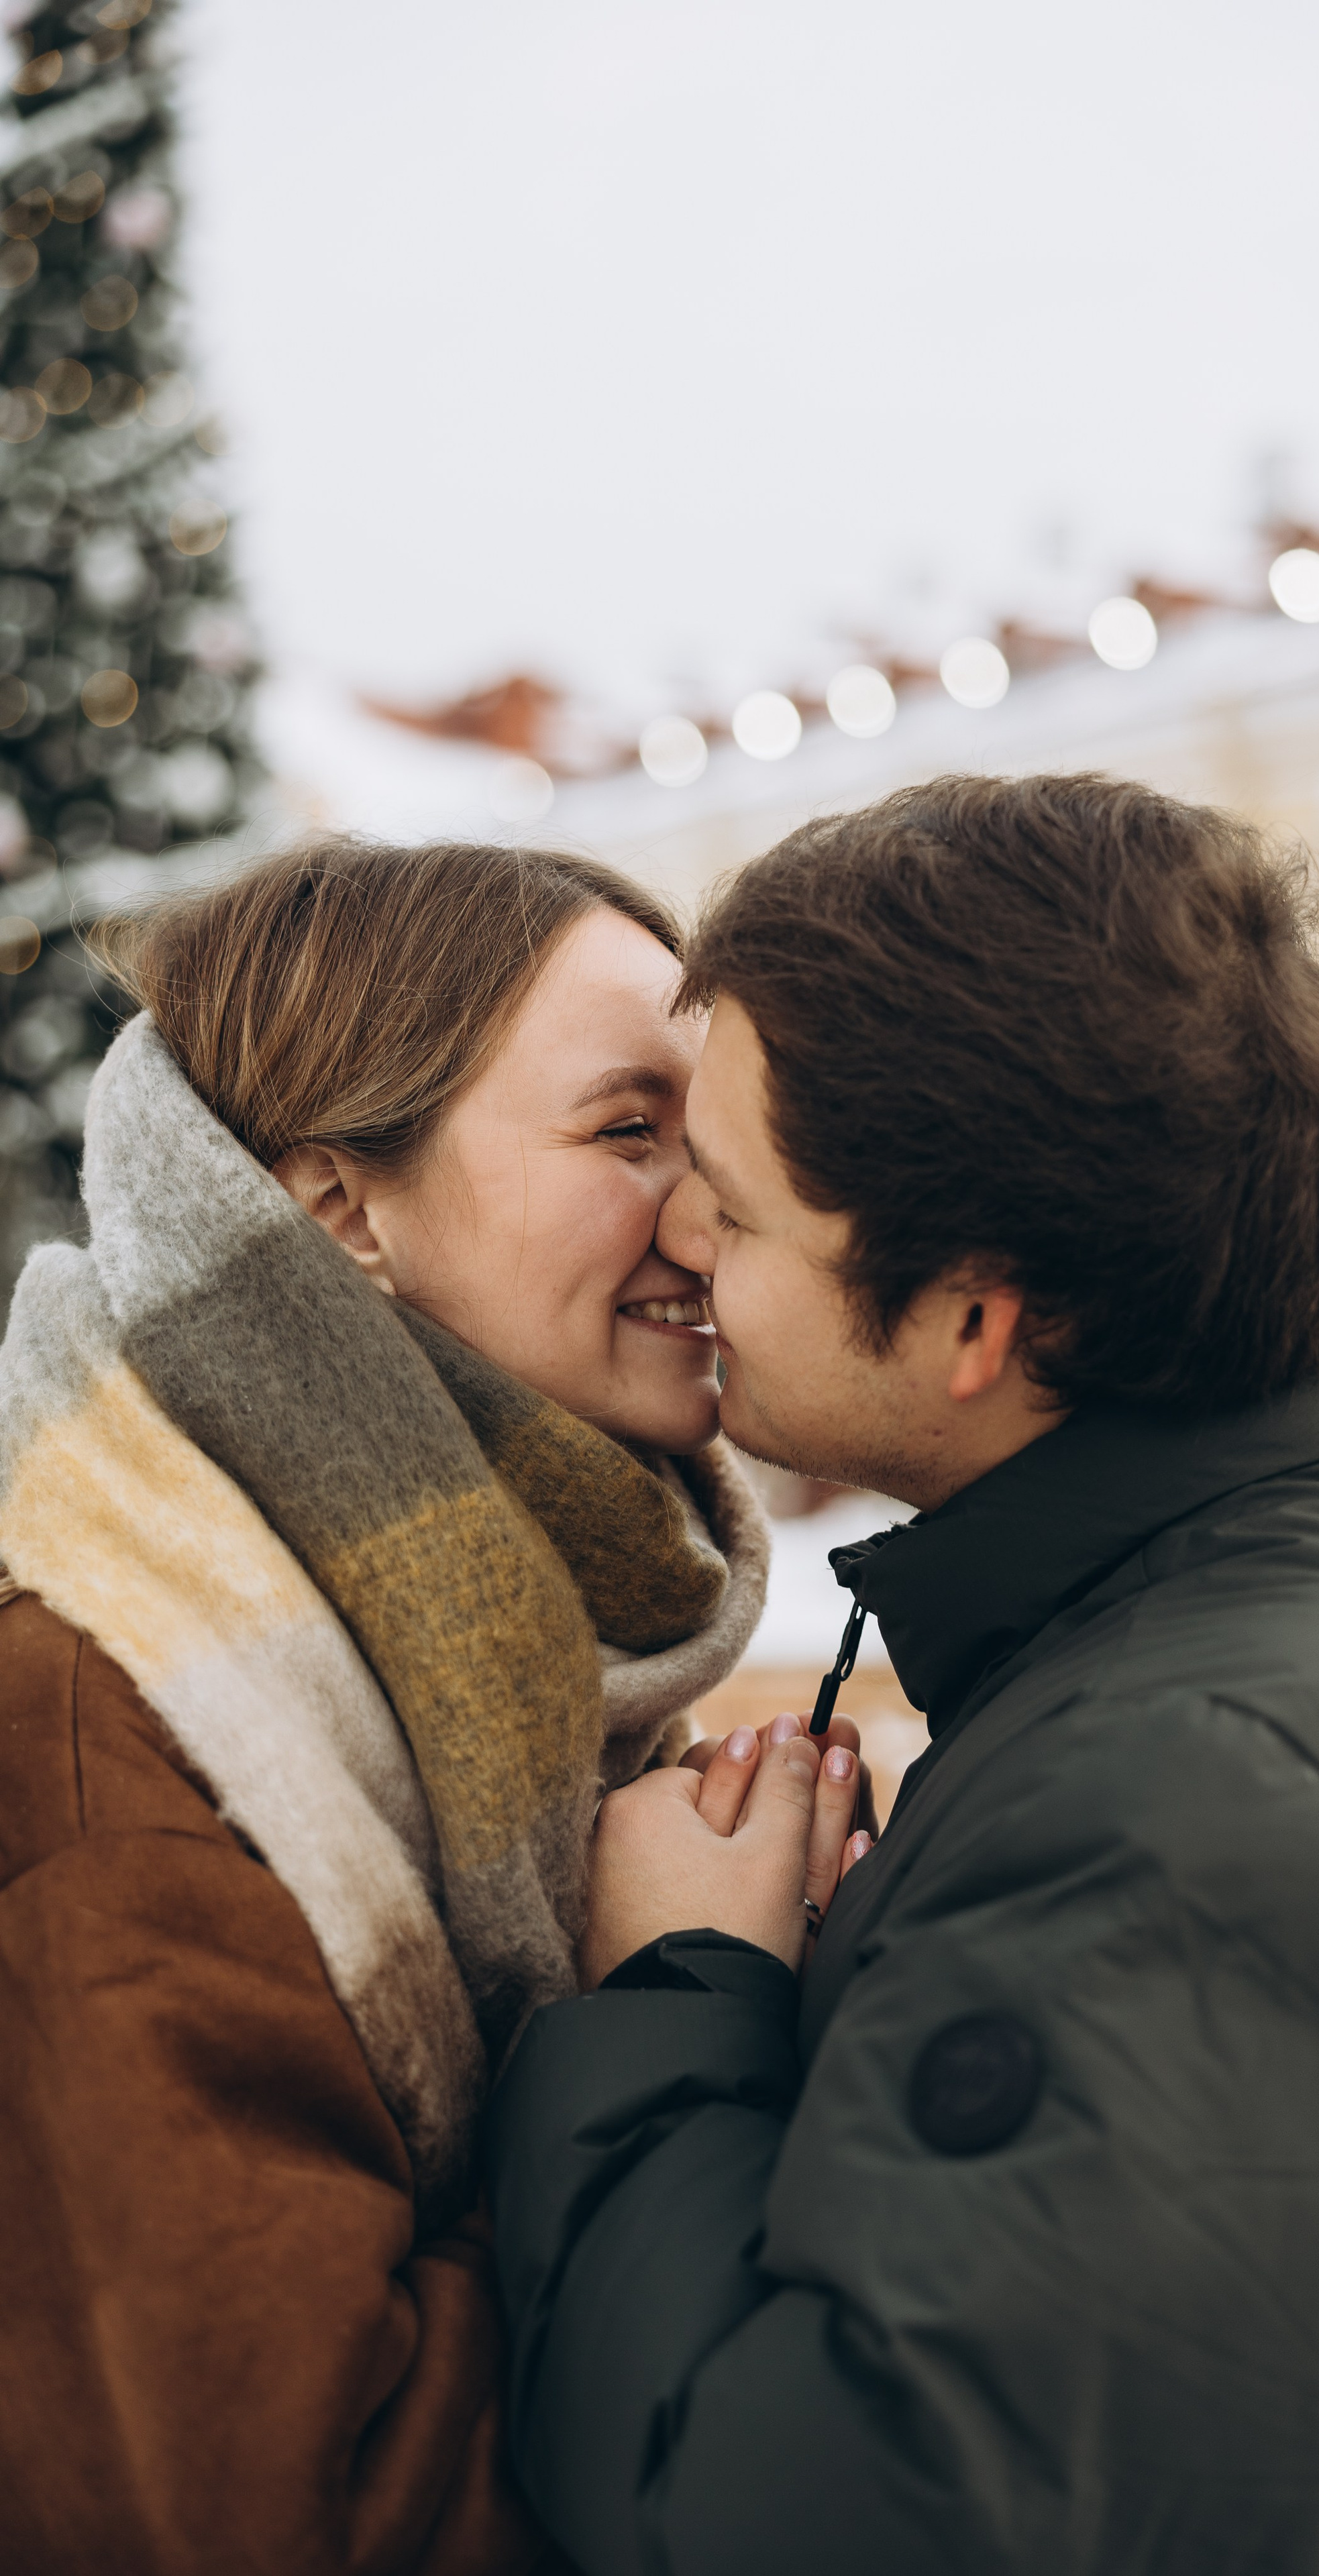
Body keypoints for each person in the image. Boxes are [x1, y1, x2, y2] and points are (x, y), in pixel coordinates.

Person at [484, 773, 1319, 2575]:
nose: (680, 1238)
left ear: (976, 1319)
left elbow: (821, 2530)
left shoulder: (1203, 1800)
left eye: (736, 1211)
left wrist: (677, 2002)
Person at [0, 839, 866, 2573]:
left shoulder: (548, 1674)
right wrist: (659, 2022)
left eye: (709, 1144)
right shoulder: (113, 1726)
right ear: (340, 1213)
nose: (708, 1216)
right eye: (630, 1132)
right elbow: (283, 2512)